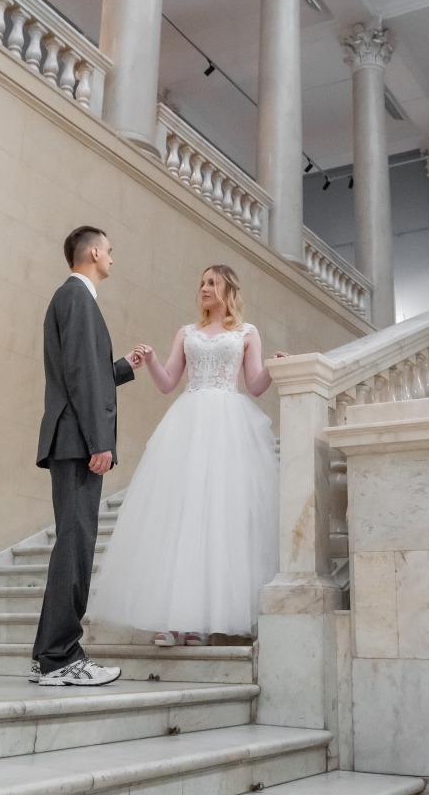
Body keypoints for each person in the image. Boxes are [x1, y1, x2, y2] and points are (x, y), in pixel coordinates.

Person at [87, 265, 282, 643]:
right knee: (182, 514)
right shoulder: (186, 332)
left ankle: (199, 623)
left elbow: (255, 385)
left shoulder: (246, 332)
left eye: (212, 283)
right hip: (188, 423)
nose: (204, 288)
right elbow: (168, 383)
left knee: (217, 517)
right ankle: (175, 620)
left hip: (228, 425)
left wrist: (275, 367)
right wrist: (153, 361)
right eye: (202, 283)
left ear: (228, 290)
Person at [31, 226, 141, 687]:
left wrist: (123, 368)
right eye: (110, 251)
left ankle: (49, 657)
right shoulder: (77, 298)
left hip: (74, 438)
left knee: (73, 545)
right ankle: (60, 658)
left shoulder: (73, 299)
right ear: (93, 252)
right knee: (75, 546)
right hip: (78, 441)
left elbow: (87, 372)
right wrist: (101, 441)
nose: (112, 258)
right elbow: (78, 374)